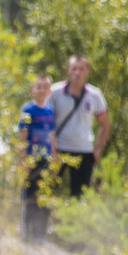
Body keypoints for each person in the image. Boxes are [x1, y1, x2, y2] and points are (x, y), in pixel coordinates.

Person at [49, 55, 111, 197]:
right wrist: (52, 149)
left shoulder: (94, 95)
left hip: (84, 150)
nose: (77, 73)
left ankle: (74, 220)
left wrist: (98, 150)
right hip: (59, 150)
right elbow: (47, 122)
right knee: (48, 190)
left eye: (81, 69)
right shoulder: (55, 92)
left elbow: (105, 124)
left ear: (87, 71)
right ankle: (39, 220)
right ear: (68, 71)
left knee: (80, 196)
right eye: (74, 69)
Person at [17, 74, 56, 240]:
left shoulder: (50, 111)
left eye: (45, 87)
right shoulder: (27, 110)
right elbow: (23, 136)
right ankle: (26, 233)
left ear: (50, 91)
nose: (42, 91)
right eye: (38, 87)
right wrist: (23, 159)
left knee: (44, 196)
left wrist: (55, 156)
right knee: (29, 195)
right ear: (32, 90)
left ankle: (40, 233)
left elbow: (52, 136)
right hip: (31, 159)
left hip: (45, 159)